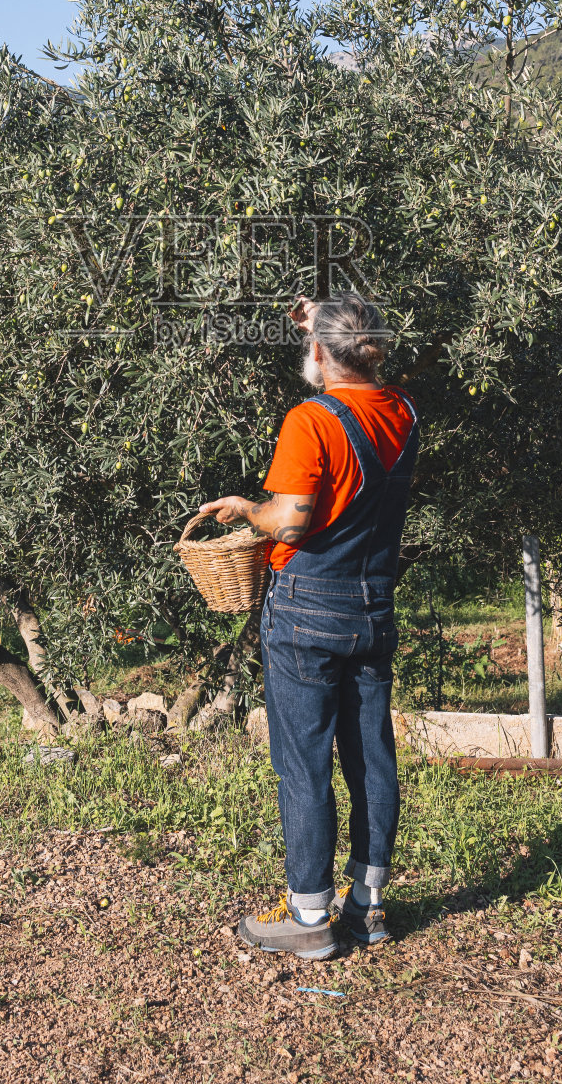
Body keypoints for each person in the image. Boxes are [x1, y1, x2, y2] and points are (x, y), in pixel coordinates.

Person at [199, 292, 418, 959]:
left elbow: (290, 520)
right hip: (371, 603)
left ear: (320, 352)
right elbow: (353, 363)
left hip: (306, 603)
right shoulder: (404, 412)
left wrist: (246, 508)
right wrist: (322, 325)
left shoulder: (310, 420)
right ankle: (368, 908)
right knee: (369, 755)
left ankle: (307, 916)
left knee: (302, 763)